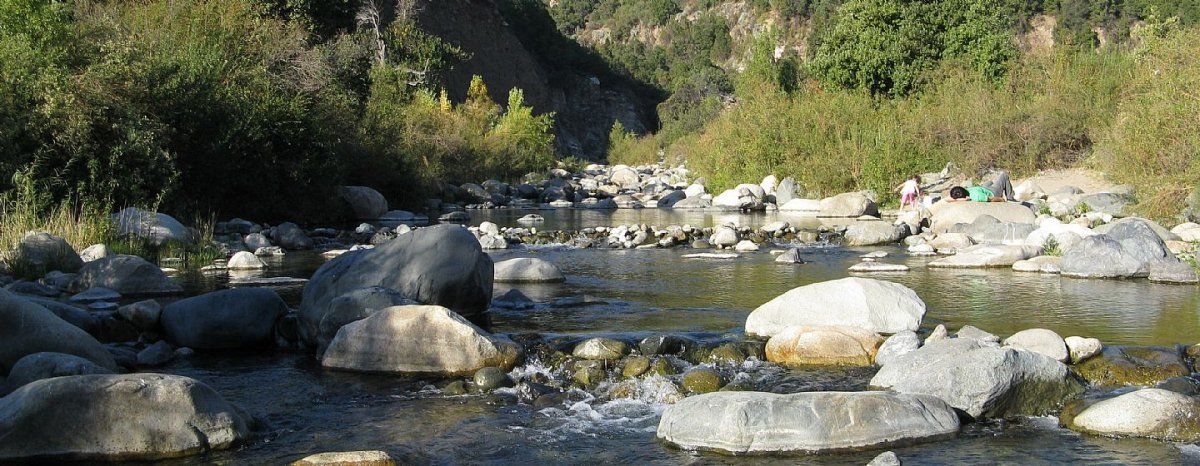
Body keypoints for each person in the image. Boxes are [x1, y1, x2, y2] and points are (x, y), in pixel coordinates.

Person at [948, 170, 1017, 203]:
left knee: (989, 182)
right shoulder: (977, 196)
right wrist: (1002, 199)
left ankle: (995, 184)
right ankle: (1010, 197)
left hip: (983, 188)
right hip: (992, 192)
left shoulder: (965, 192)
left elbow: (948, 199)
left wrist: (959, 199)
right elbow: (991, 199)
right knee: (1004, 175)